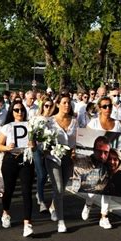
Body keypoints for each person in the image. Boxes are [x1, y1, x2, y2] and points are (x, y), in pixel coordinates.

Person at [0, 100, 36, 237]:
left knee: (27, 191)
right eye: (16, 110)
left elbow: (35, 146)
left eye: (22, 110)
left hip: (26, 159)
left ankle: (27, 224)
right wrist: (7, 147)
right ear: (12, 112)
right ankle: (6, 212)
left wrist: (33, 144)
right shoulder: (7, 127)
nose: (20, 112)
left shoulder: (30, 126)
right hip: (10, 160)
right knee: (9, 190)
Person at [44, 93, 77, 233]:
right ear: (57, 104)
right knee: (57, 188)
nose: (66, 105)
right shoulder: (50, 121)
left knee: (61, 189)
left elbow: (78, 139)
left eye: (68, 103)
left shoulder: (74, 121)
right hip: (53, 158)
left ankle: (53, 206)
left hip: (68, 159)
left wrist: (75, 151)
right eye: (63, 102)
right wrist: (45, 149)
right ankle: (61, 221)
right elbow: (43, 140)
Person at [74, 136, 113, 229]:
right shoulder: (87, 160)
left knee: (108, 193)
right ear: (94, 150)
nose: (103, 156)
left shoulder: (111, 160)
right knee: (91, 195)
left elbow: (120, 162)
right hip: (92, 183)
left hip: (105, 181)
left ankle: (104, 217)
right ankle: (88, 205)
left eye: (106, 152)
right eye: (99, 151)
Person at [32, 98, 55, 212]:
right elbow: (32, 134)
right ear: (42, 107)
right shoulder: (36, 119)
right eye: (46, 106)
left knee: (46, 175)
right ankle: (41, 201)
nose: (49, 108)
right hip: (37, 149)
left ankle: (39, 193)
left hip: (50, 150)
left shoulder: (54, 120)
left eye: (51, 106)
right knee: (41, 175)